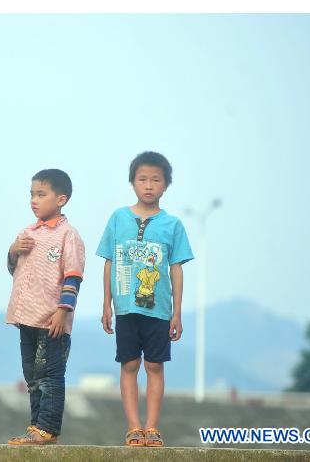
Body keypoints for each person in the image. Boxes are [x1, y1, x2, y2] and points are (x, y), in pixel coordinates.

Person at [97, 151, 193, 448]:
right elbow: (109, 262)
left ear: (166, 185)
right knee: (128, 365)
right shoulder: (118, 218)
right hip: (125, 308)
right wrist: (106, 304)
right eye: (142, 179)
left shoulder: (173, 225)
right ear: (132, 183)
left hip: (159, 311)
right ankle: (133, 428)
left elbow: (175, 270)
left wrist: (177, 312)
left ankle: (152, 428)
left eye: (156, 180)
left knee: (154, 366)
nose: (149, 185)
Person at [5, 169, 85, 445]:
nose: (34, 200)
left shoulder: (68, 235)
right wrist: (14, 250)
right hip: (25, 316)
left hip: (52, 319)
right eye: (32, 194)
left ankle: (48, 427)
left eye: (41, 194)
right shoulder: (26, 233)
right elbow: (13, 268)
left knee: (50, 375)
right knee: (32, 376)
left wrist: (64, 311)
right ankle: (36, 427)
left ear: (61, 199)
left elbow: (73, 275)